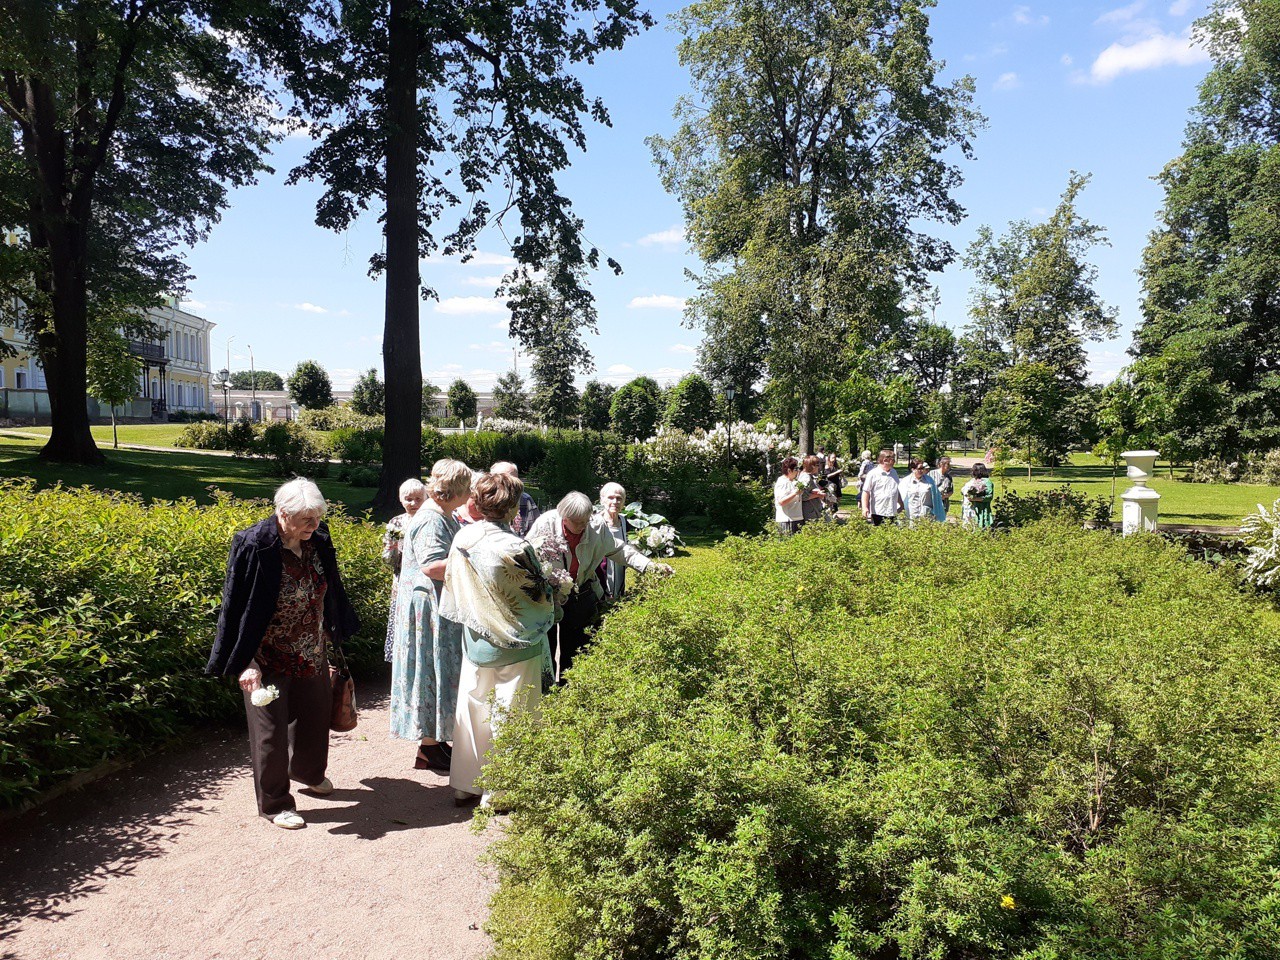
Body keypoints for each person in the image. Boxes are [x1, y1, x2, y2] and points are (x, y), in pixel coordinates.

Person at [207, 478, 360, 829]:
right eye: (306, 519)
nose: (314, 526)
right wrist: (245, 662)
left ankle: (308, 772)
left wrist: (334, 630)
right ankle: (275, 804)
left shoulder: (318, 540)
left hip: (311, 648)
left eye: (317, 517)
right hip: (267, 656)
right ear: (282, 513)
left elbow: (331, 587)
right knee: (270, 733)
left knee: (315, 718)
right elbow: (234, 605)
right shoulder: (254, 544)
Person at [441, 472, 556, 808]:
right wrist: (555, 597)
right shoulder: (516, 547)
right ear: (512, 510)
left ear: (476, 503)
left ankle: (466, 784)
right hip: (519, 642)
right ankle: (501, 790)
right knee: (513, 711)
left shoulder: (463, 538)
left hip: (477, 638)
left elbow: (454, 584)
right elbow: (538, 595)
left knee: (474, 707)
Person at [528, 491, 672, 679]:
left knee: (577, 651)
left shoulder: (596, 526)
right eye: (576, 522)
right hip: (547, 598)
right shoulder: (545, 523)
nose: (581, 526)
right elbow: (528, 557)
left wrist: (649, 566)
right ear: (564, 516)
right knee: (545, 649)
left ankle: (571, 693)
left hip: (581, 593)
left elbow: (620, 550)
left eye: (584, 521)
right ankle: (545, 693)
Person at [389, 458, 472, 772]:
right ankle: (429, 747)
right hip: (428, 609)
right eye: (468, 489)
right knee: (430, 669)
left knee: (439, 670)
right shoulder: (432, 519)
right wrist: (478, 565)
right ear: (456, 490)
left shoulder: (442, 514)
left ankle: (436, 742)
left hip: (436, 604)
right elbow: (432, 565)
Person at [383, 478, 427, 663]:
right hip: (402, 582)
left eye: (418, 498)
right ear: (401, 500)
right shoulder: (396, 522)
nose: (413, 503)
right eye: (409, 499)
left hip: (424, 580)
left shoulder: (429, 521)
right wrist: (391, 550)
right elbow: (388, 560)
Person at [595, 481, 652, 602]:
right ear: (602, 500)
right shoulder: (595, 522)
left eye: (619, 498)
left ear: (623, 502)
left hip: (620, 566)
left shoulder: (624, 521)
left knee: (617, 600)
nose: (615, 502)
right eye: (611, 498)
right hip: (600, 574)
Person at [491, 461, 540, 536]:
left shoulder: (525, 500)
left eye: (514, 480)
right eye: (504, 480)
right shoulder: (483, 500)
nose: (510, 484)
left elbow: (536, 532)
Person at [860, 448, 902, 526]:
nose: (894, 462)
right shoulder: (873, 474)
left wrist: (901, 504)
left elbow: (896, 490)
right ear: (885, 460)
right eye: (893, 460)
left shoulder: (894, 472)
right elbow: (866, 492)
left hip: (892, 511)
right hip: (878, 511)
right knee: (879, 533)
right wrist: (865, 508)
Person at [898, 458, 946, 524]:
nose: (921, 471)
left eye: (922, 468)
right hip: (911, 515)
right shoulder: (905, 482)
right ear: (913, 469)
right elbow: (901, 498)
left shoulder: (929, 480)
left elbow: (936, 498)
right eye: (919, 469)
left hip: (926, 515)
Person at [773, 456, 803, 535]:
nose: (797, 471)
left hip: (797, 518)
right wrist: (795, 493)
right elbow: (781, 502)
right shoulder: (782, 482)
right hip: (787, 520)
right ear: (789, 470)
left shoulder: (794, 481)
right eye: (796, 469)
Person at [962, 463, 995, 529]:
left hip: (981, 508)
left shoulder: (987, 481)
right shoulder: (973, 480)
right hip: (970, 508)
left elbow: (989, 497)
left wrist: (975, 499)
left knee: (980, 526)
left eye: (973, 470)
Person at [798, 454, 827, 524]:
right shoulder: (806, 478)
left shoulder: (807, 475)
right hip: (811, 510)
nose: (819, 467)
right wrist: (818, 495)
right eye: (817, 465)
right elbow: (803, 496)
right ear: (812, 466)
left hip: (814, 509)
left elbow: (809, 490)